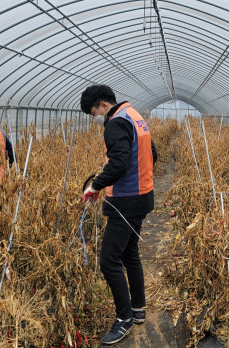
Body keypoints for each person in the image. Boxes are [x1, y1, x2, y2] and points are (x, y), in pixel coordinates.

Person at [80, 84, 157, 346]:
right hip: (143, 197)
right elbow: (152, 154)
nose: (96, 119)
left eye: (94, 114)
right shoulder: (135, 116)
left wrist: (96, 185)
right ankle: (137, 309)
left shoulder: (115, 122)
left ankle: (123, 318)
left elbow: (120, 161)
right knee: (129, 253)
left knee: (109, 260)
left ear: (103, 105)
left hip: (125, 201)